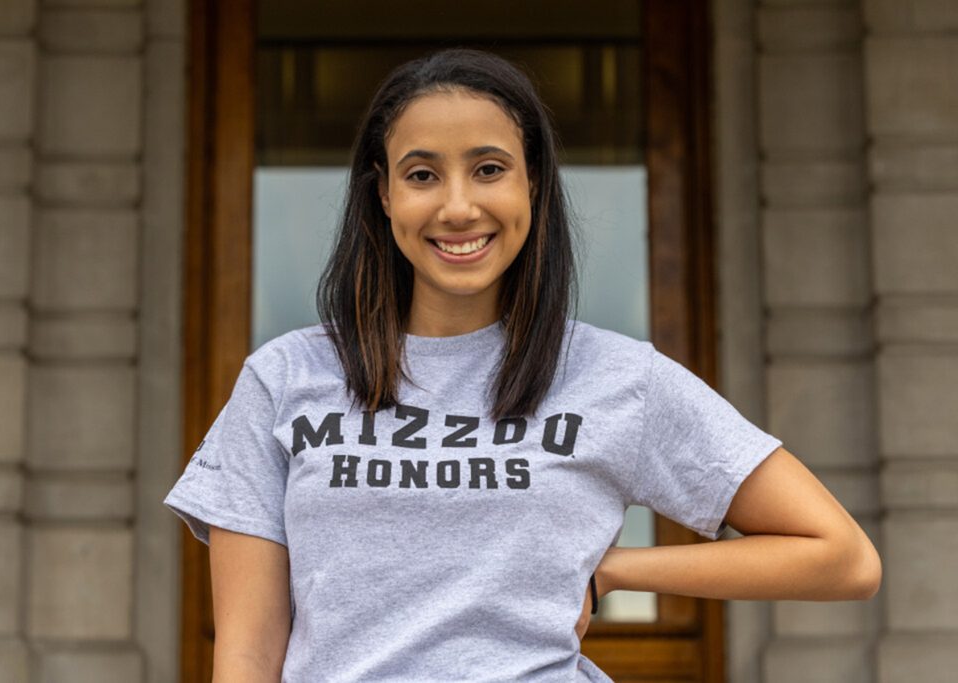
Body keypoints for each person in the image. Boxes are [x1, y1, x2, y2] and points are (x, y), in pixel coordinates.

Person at [164, 48, 881, 682]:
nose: (458, 205)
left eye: (488, 169)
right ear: (383, 194)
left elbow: (842, 556)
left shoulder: (614, 376)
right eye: (421, 174)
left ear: (531, 184)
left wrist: (617, 569)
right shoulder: (285, 378)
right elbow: (249, 652)